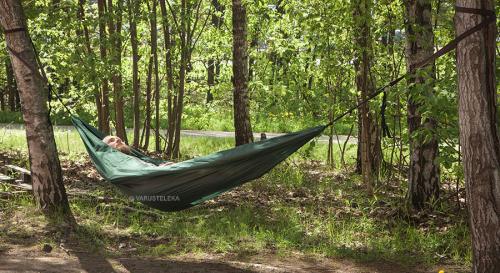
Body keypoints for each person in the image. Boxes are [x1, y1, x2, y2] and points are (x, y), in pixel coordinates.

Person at [102, 135, 174, 167]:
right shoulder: (117, 163)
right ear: (106, 149)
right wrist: (161, 169)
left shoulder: (130, 158)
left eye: (117, 138)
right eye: (111, 140)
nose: (118, 139)